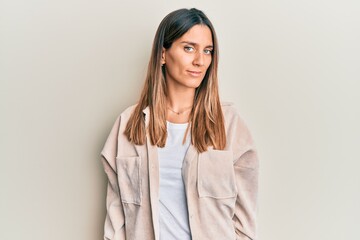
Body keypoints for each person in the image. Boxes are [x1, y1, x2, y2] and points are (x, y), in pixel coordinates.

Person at [101, 8, 259, 240]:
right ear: (163, 55)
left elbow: (245, 223)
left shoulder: (230, 125)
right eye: (188, 48)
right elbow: (116, 222)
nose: (200, 60)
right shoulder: (128, 124)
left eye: (207, 51)